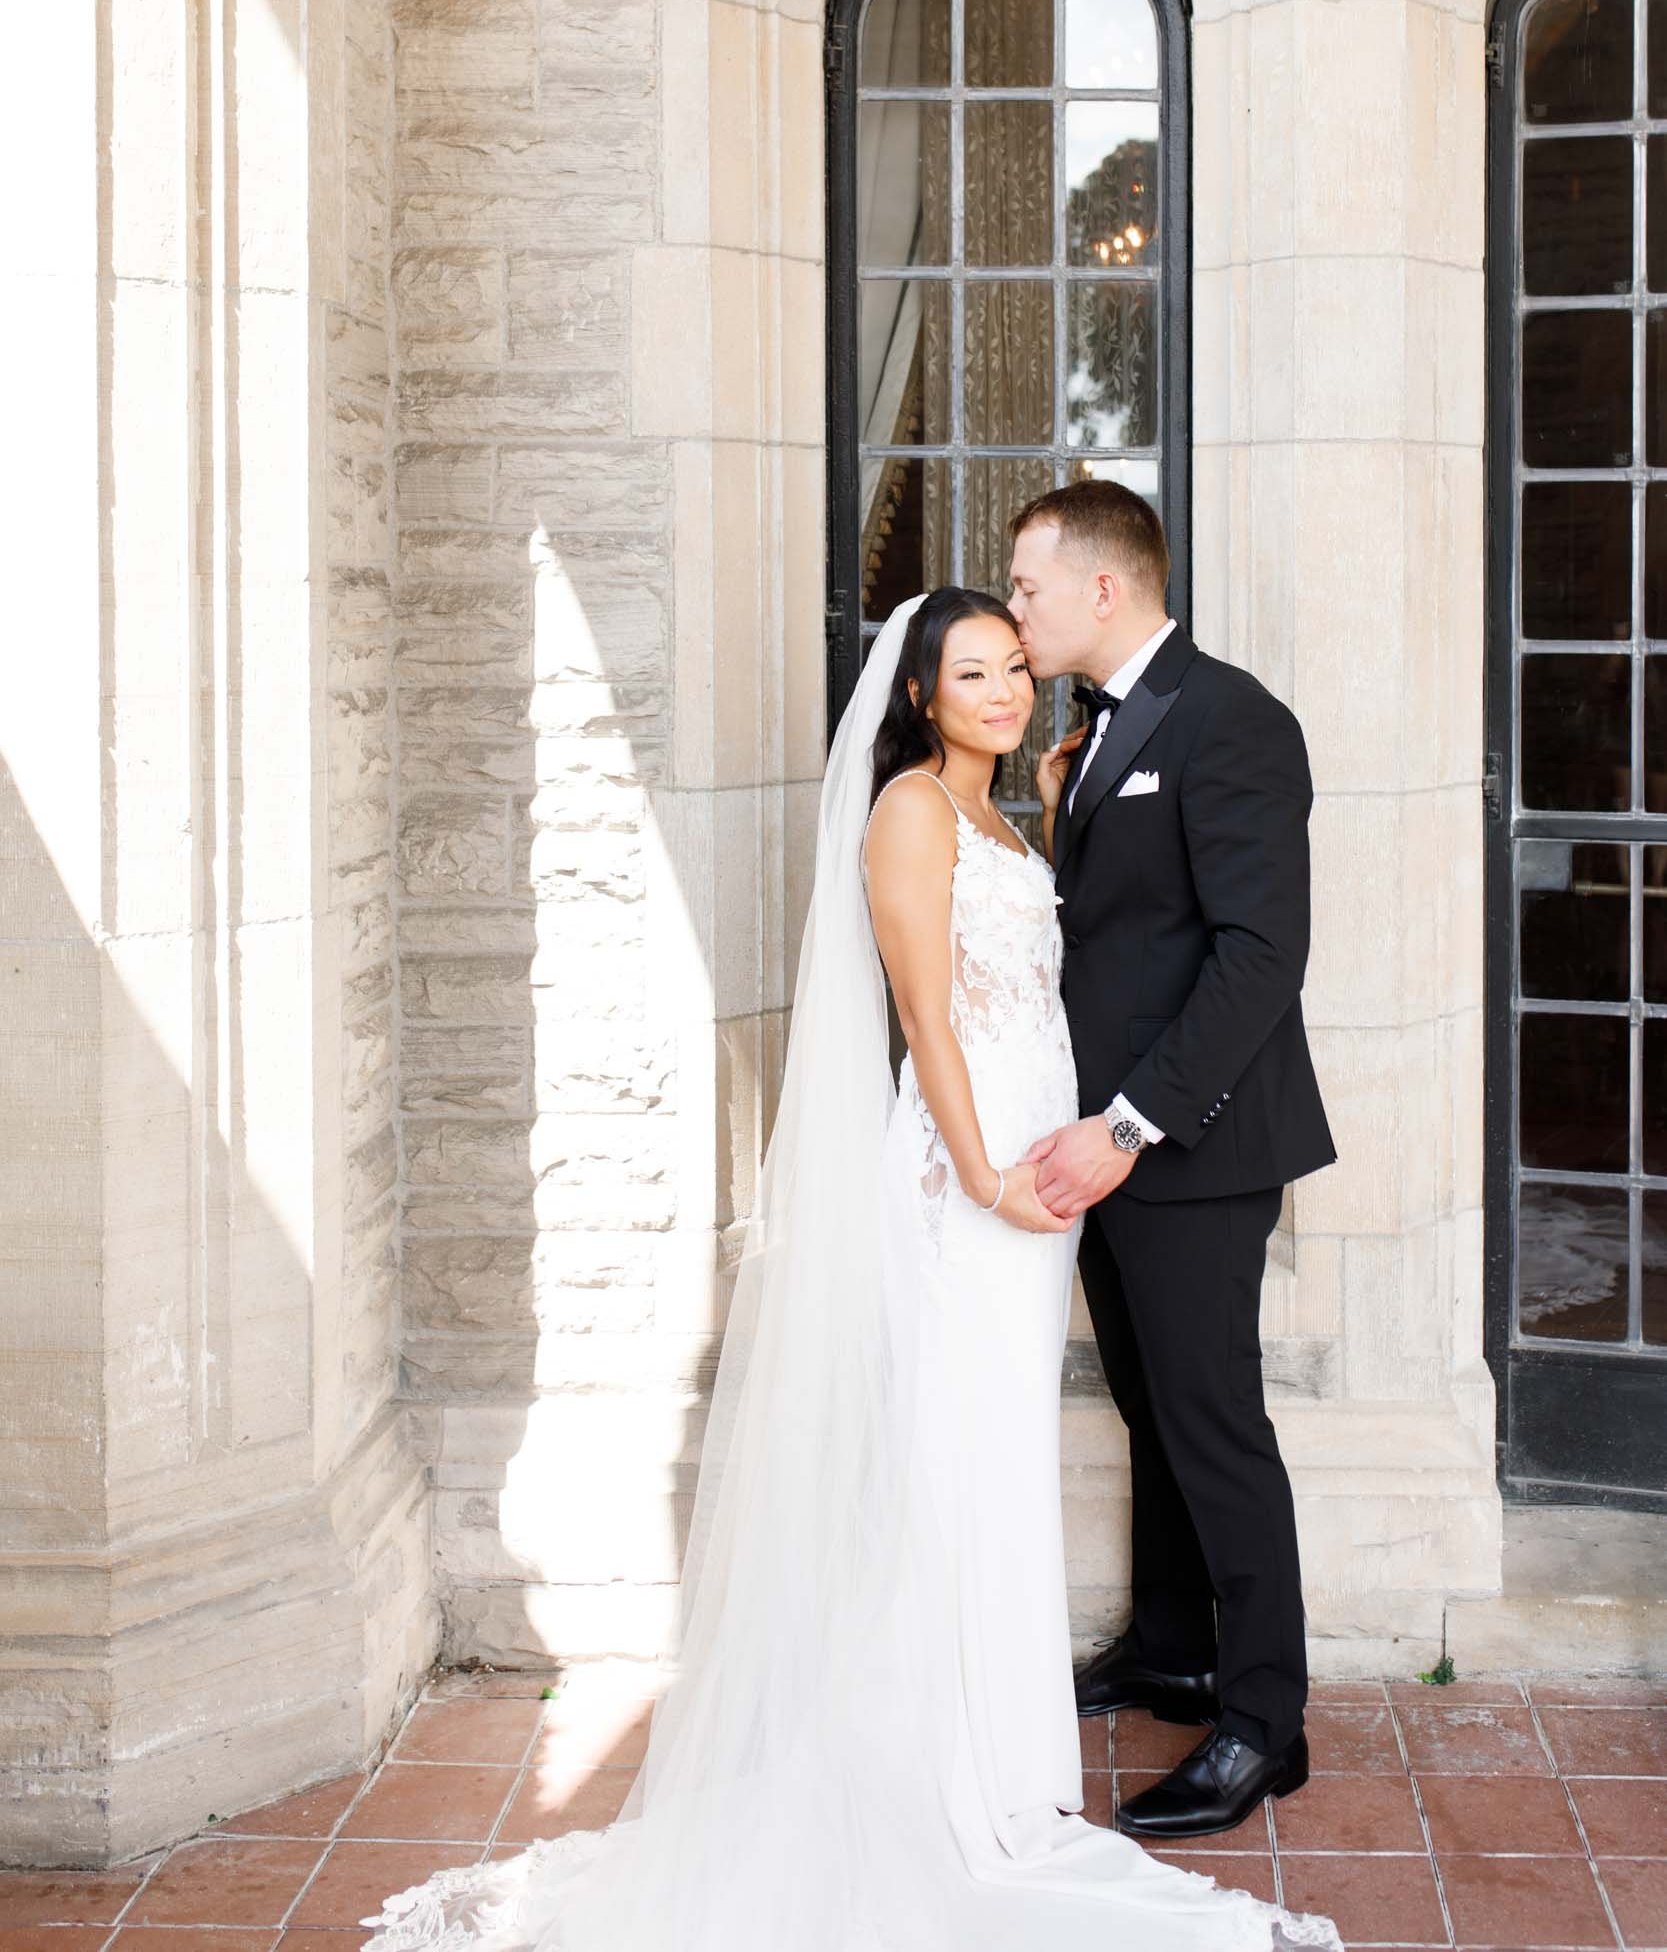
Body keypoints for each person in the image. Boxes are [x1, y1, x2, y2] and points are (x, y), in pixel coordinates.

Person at [364, 588, 1338, 1952]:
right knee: (946, 1451)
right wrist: (985, 1172)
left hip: (1041, 1179)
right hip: (970, 1184)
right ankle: (928, 1757)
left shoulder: (1011, 804)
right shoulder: (910, 814)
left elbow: (1059, 963)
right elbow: (929, 1020)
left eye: (1013, 664)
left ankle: (997, 1752)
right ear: (921, 699)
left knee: (995, 1450)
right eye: (974, 672)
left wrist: (1056, 828)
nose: (1005, 688)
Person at [1009, 482, 1337, 1844]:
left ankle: (1264, 1722)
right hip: (1109, 1153)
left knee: (1214, 1426)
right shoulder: (1093, 733)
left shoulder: (1232, 719)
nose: (1014, 607)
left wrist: (1129, 1124)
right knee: (1151, 1407)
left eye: (1028, 585)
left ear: (1104, 589)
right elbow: (1117, 931)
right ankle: (1170, 1647)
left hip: (1184, 1150)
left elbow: (1262, 953)